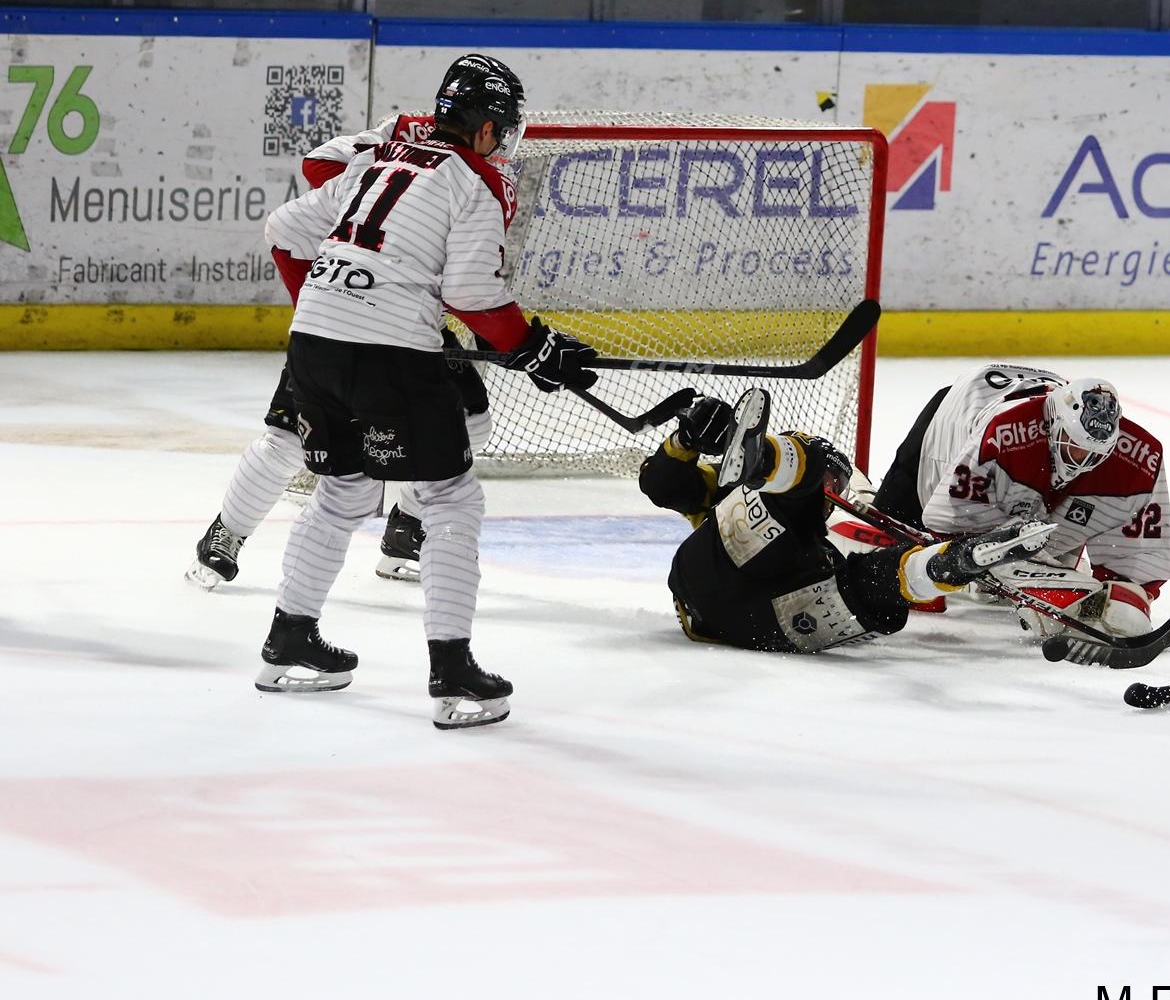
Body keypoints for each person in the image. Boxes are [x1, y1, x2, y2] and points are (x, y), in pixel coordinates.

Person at [252, 53, 603, 729]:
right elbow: (473, 294)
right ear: (481, 128)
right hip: (387, 357)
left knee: (345, 489)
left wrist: (328, 309)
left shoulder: (377, 158)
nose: (503, 141)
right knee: (449, 497)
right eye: (500, 127)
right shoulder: (474, 185)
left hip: (314, 347)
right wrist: (534, 347)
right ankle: (452, 673)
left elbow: (285, 231)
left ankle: (287, 640)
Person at [186, 63, 491, 591]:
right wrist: (376, 170)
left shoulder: (473, 165)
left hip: (402, 321)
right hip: (346, 308)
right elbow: (318, 164)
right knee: (287, 436)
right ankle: (226, 534)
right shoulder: (404, 135)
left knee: (472, 422)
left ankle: (405, 529)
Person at [640, 390, 1054, 653]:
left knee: (861, 587)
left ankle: (952, 562)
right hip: (715, 586)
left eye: (835, 483)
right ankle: (766, 456)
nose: (831, 489)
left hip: (736, 616)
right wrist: (686, 440)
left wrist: (943, 564)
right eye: (829, 480)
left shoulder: (815, 552)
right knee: (859, 573)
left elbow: (662, 485)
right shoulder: (753, 495)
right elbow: (661, 483)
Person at [868, 363, 1170, 644]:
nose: (1081, 458)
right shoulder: (1005, 433)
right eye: (1074, 444)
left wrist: (1125, 593)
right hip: (954, 411)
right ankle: (855, 487)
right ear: (1055, 422)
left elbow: (1136, 557)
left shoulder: (1140, 457)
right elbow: (951, 522)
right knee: (891, 570)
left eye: (1091, 453)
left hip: (1021, 445)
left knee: (1107, 612)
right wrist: (1017, 571)